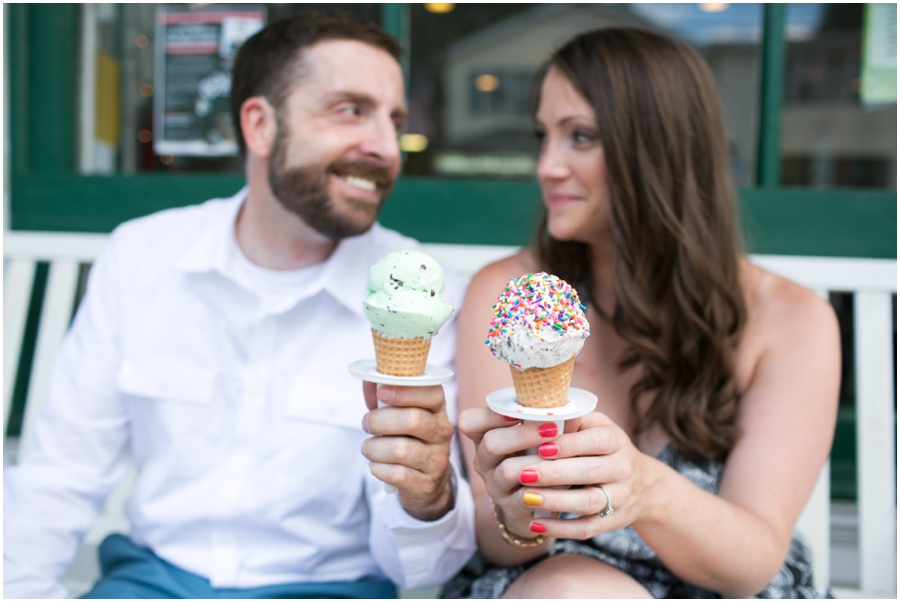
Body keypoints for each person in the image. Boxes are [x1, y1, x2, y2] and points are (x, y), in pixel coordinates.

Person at [4, 11, 475, 599]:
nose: (386, 147)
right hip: (150, 582)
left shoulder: (423, 296)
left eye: (395, 119)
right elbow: (60, 475)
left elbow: (422, 573)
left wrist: (428, 498)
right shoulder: (141, 256)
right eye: (350, 110)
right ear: (259, 125)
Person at [443, 27, 839, 599]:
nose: (547, 166)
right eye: (543, 136)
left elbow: (752, 560)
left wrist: (646, 490)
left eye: (580, 137)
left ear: (660, 148)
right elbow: (499, 538)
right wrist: (514, 509)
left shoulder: (791, 320)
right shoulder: (510, 296)